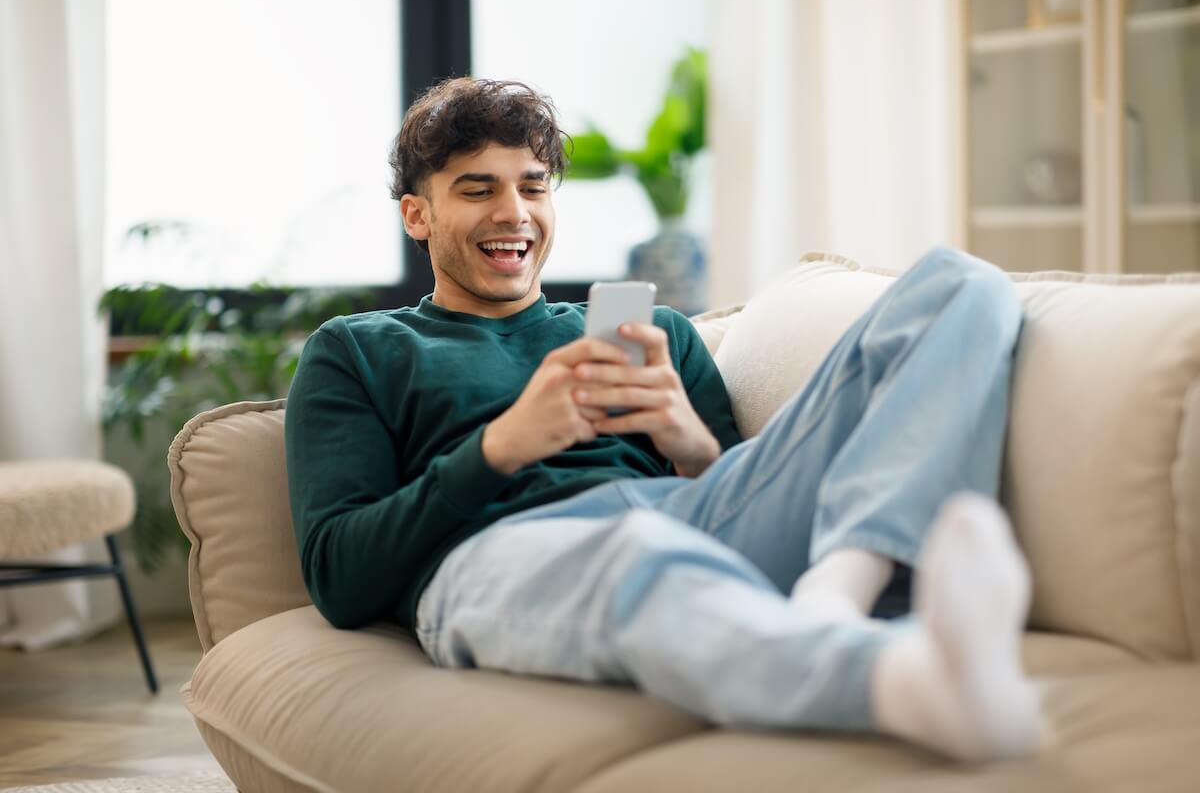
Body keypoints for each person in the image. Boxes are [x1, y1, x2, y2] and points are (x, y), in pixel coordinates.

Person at [284, 77, 1044, 762]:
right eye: (477, 190)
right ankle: (899, 679)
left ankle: (838, 590)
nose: (513, 214)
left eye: (534, 187)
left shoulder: (657, 335)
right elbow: (340, 578)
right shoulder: (359, 350)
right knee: (637, 549)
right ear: (418, 214)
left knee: (961, 285)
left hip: (686, 512)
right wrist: (499, 449)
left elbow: (751, 503)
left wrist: (690, 443)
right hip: (499, 558)